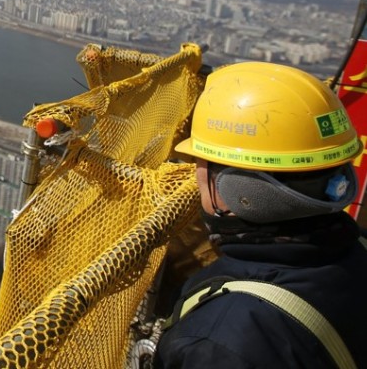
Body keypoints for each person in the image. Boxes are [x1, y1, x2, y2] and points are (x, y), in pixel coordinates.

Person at [154, 61, 367, 369]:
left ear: (242, 190)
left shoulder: (218, 343)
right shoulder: (357, 250)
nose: (194, 172)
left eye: (201, 160)